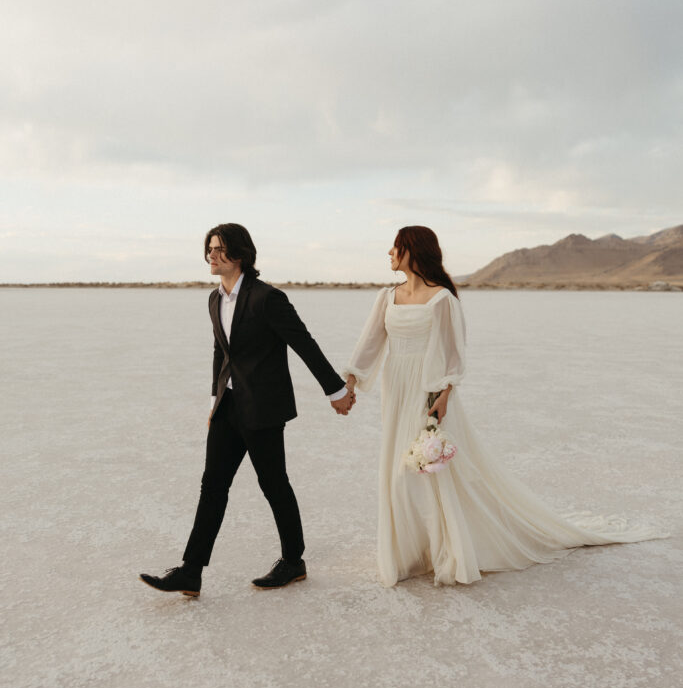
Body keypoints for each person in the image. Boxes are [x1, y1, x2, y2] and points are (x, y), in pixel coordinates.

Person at [344, 225, 663, 588]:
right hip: (395, 387)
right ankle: (407, 553)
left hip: (426, 392)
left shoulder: (442, 299)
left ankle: (442, 548)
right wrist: (351, 381)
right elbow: (369, 342)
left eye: (396, 247)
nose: (389, 252)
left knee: (422, 470)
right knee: (398, 467)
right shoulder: (388, 297)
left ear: (413, 251)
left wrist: (444, 393)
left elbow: (453, 353)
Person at [140, 223, 355, 598]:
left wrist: (335, 390)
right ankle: (191, 571)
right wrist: (213, 401)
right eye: (209, 248)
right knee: (213, 486)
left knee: (273, 485)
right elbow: (220, 353)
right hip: (228, 408)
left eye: (219, 249)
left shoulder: (266, 298)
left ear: (239, 254)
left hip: (264, 409)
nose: (212, 255)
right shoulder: (214, 299)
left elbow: (303, 343)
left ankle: (293, 561)